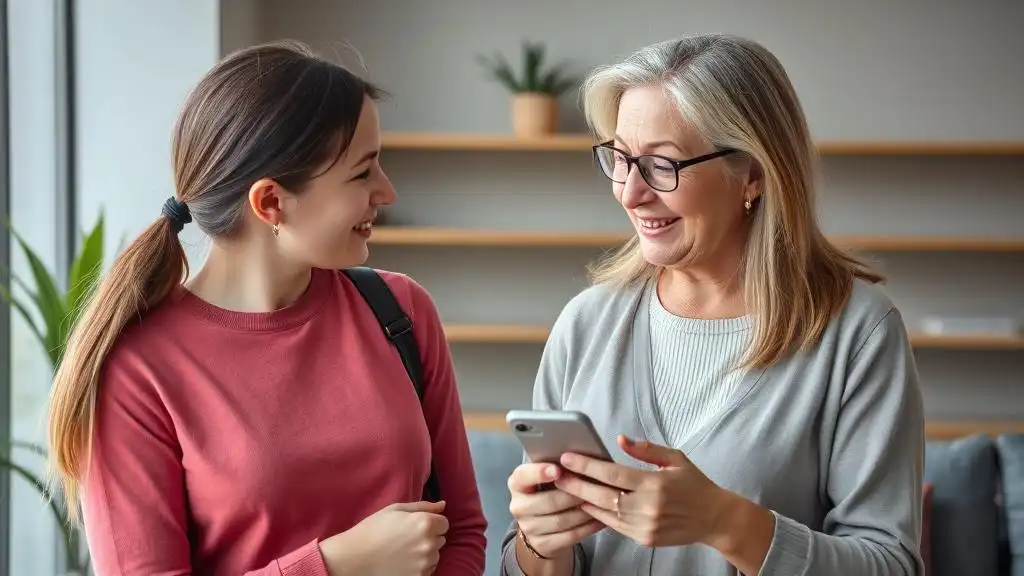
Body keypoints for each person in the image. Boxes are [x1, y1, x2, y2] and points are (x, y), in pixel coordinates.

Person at [45, 40, 486, 576]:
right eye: (362, 173)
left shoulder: (400, 311)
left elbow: (461, 531)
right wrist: (337, 564)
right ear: (271, 202)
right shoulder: (137, 371)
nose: (386, 193)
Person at [502, 33, 925, 576]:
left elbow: (891, 566)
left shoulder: (858, 332)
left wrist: (724, 522)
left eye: (662, 164)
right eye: (621, 158)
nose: (630, 192)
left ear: (753, 172)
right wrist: (541, 544)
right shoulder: (585, 324)